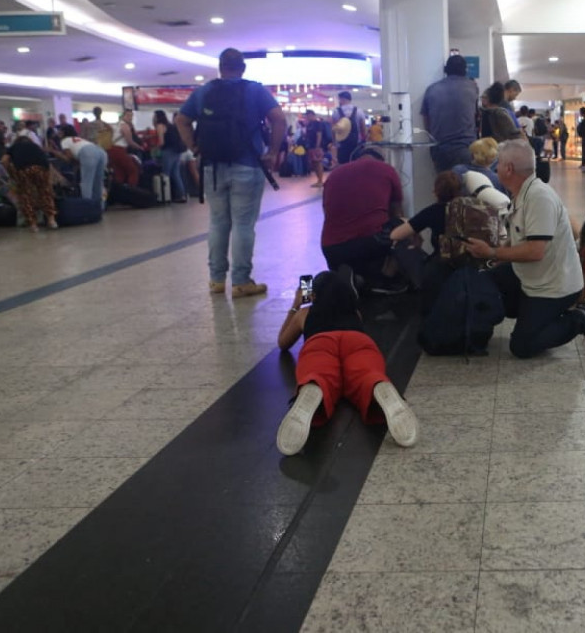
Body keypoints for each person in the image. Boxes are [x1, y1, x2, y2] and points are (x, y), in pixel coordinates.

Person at [463, 139, 585, 358]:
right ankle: (528, 312)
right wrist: (497, 256)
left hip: (554, 287)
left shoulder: (539, 197)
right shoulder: (521, 193)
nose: (496, 168)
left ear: (509, 169)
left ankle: (581, 317)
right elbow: (519, 235)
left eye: (499, 163)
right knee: (485, 281)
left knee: (522, 346)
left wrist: (492, 252)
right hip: (530, 276)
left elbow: (535, 251)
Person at [176, 47, 287, 298]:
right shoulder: (255, 90)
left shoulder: (203, 92)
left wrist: (194, 147)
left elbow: (181, 120)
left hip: (212, 167)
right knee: (243, 224)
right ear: (243, 68)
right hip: (247, 164)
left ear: (220, 67)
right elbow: (279, 119)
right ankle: (241, 281)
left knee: (218, 222)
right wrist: (272, 151)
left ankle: (216, 280)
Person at [275, 269, 418, 455]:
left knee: (319, 373)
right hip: (358, 342)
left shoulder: (305, 313)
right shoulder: (355, 313)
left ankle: (314, 386)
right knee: (365, 375)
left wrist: (296, 305)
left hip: (320, 343)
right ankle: (377, 384)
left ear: (314, 295)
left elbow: (283, 342)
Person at [320, 148, 404, 291]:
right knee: (404, 225)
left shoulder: (334, 174)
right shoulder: (387, 169)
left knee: (319, 283)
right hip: (370, 245)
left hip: (331, 249)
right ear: (381, 160)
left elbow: (327, 212)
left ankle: (351, 281)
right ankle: (385, 281)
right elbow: (397, 212)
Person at [421, 54, 479, 172]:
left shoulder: (432, 89)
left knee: (445, 182)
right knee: (466, 182)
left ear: (446, 69)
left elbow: (426, 119)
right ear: (465, 70)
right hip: (466, 147)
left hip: (440, 148)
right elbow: (475, 115)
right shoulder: (472, 87)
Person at [3, 131, 58, 231]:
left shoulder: (14, 147)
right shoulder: (35, 146)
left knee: (26, 196)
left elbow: (4, 160)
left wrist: (11, 173)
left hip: (24, 170)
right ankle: (51, 220)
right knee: (45, 193)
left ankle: (33, 224)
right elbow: (45, 160)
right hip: (42, 169)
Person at [55, 134, 108, 203]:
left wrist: (53, 151)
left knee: (87, 183)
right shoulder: (78, 139)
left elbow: (68, 158)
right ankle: (99, 205)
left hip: (89, 153)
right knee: (98, 183)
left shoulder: (64, 141)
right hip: (101, 152)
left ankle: (87, 205)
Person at [155, 110, 188, 203]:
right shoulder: (170, 126)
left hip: (168, 151)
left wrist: (155, 148)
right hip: (177, 151)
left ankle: (165, 196)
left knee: (165, 174)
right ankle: (181, 195)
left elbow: (161, 142)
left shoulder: (160, 126)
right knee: (176, 174)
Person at [330, 91, 369, 165]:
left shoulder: (336, 112)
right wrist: (364, 140)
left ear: (341, 99)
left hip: (342, 145)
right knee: (356, 165)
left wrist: (334, 142)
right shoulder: (359, 111)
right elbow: (363, 129)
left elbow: (333, 129)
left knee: (343, 166)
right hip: (356, 144)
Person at [303, 109, 330, 188]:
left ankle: (320, 180)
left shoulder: (317, 124)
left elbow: (319, 135)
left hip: (317, 146)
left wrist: (318, 146)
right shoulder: (309, 124)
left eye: (308, 116)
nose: (307, 117)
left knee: (318, 162)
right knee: (314, 163)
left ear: (312, 115)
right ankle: (318, 180)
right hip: (311, 146)